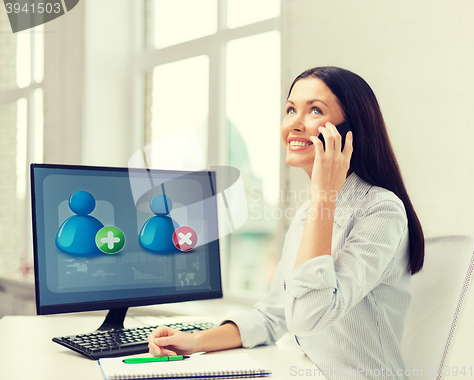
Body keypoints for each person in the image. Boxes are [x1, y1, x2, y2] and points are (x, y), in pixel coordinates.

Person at [147, 66, 425, 380]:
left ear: (350, 132)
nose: (294, 123)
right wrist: (194, 341)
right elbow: (274, 313)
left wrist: (323, 196)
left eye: (315, 110)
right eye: (290, 109)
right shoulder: (308, 214)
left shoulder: (381, 210)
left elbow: (309, 316)